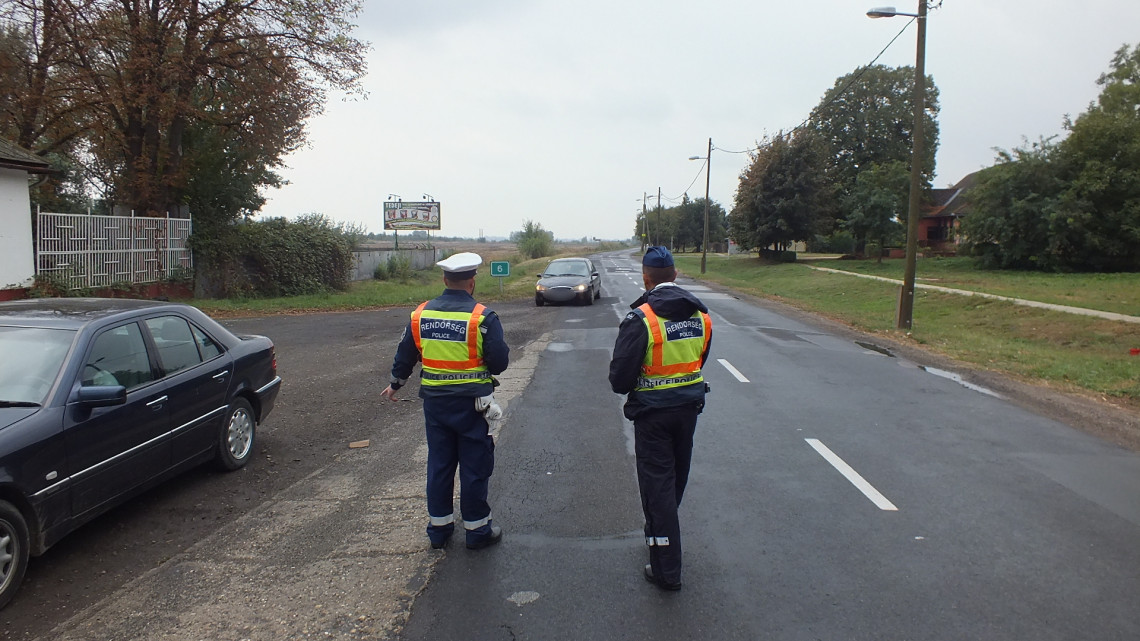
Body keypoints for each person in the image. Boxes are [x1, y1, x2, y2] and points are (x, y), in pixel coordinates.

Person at [381, 252, 509, 550]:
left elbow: (405, 355)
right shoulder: (482, 317)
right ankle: (477, 531)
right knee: (474, 467)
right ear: (472, 282)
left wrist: (394, 385)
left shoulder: (421, 314)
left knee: (440, 465)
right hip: (472, 406)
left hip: (435, 405)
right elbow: (500, 362)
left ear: (444, 280)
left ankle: (439, 530)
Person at [608, 246, 712, 591]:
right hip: (688, 410)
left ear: (645, 277)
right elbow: (698, 360)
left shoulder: (642, 319)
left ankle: (667, 570)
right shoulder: (701, 316)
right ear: (676, 275)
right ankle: (659, 531)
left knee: (658, 488)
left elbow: (619, 380)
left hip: (653, 415)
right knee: (674, 480)